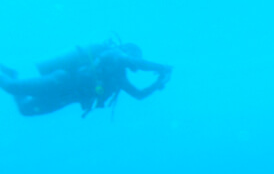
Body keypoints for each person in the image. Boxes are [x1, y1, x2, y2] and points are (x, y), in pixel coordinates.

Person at [0, 40, 172, 118]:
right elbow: (135, 63)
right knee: (11, 87)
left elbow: (139, 95)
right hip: (61, 81)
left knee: (25, 110)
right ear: (126, 50)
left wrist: (158, 83)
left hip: (67, 98)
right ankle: (10, 76)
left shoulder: (119, 78)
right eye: (135, 54)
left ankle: (12, 73)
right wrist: (162, 68)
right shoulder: (113, 53)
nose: (135, 59)